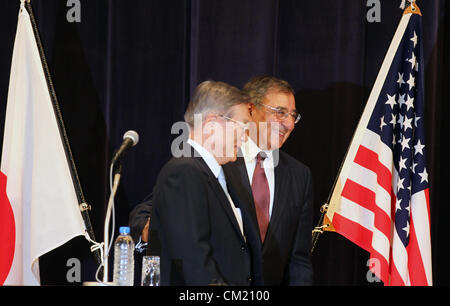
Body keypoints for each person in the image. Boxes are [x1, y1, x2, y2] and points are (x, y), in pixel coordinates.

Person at [147, 80, 263, 286]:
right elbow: (194, 260)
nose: (246, 138)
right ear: (211, 126)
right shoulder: (183, 172)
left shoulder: (219, 173)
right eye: (242, 126)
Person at [222, 75, 313, 285]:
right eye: (280, 113)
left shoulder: (300, 176)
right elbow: (149, 212)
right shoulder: (219, 159)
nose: (289, 124)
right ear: (251, 109)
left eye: (293, 116)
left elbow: (299, 261)